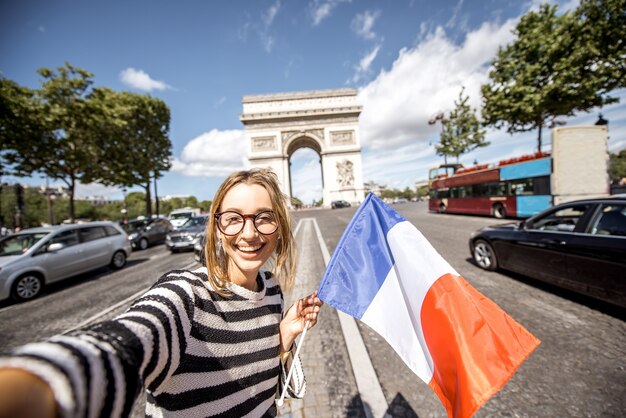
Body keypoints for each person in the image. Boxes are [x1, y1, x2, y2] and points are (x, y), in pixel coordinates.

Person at [0, 168, 323, 418]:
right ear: (217, 226)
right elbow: (127, 342)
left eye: (264, 218)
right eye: (233, 219)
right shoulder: (185, 295)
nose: (249, 232)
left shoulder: (272, 291)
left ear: (280, 225)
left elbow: (255, 380)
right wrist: (40, 381)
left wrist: (283, 334)